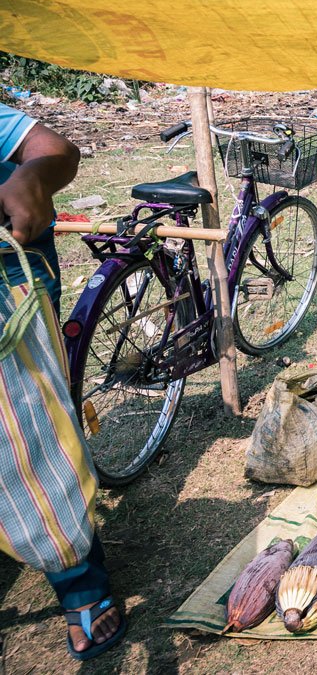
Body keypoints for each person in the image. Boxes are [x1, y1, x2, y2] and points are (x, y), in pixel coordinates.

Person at [0, 103, 125, 658]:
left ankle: (82, 585)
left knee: (30, 434)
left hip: (8, 282)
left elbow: (53, 148)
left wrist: (30, 176)